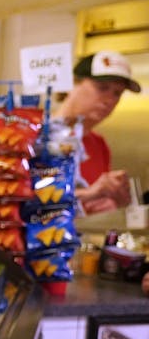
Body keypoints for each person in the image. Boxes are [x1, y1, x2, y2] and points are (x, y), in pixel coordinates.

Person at [53, 51, 140, 216]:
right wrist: (88, 194)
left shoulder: (98, 144)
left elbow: (89, 208)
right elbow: (16, 200)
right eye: (102, 88)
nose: (110, 100)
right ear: (72, 84)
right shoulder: (34, 134)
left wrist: (116, 203)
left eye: (117, 93)